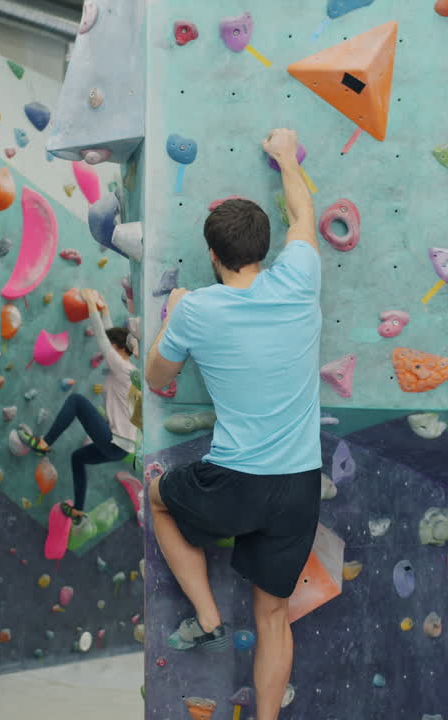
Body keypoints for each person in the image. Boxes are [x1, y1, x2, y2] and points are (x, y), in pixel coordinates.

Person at [144, 128, 321, 720]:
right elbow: (303, 211)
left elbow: (155, 375)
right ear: (265, 250)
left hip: (235, 481)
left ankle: (208, 615)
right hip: (298, 486)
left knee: (158, 498)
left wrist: (173, 313)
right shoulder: (301, 277)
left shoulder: (196, 308)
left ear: (214, 256)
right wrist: (284, 155)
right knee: (273, 615)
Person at [22, 288, 137, 521]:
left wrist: (90, 305)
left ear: (122, 351)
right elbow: (109, 337)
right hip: (122, 448)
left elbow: (103, 339)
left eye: (115, 348)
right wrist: (103, 309)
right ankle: (78, 510)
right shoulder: (128, 369)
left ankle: (45, 442)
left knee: (76, 401)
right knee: (78, 457)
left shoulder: (123, 368)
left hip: (116, 442)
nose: (109, 351)